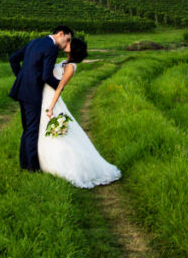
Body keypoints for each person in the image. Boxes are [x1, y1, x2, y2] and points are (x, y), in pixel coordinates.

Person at [38, 37, 121, 188]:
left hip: (52, 99)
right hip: (44, 96)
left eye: (69, 43)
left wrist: (51, 107)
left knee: (58, 134)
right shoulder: (64, 61)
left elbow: (60, 87)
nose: (66, 44)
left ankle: (63, 166)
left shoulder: (71, 67)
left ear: (74, 48)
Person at [8, 25, 74, 171]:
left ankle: (24, 164)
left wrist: (22, 78)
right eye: (67, 39)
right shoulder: (51, 47)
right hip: (33, 92)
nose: (66, 44)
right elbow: (46, 76)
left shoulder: (34, 42)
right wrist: (60, 85)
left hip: (21, 90)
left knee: (27, 128)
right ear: (60, 34)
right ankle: (33, 168)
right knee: (32, 129)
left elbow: (13, 59)